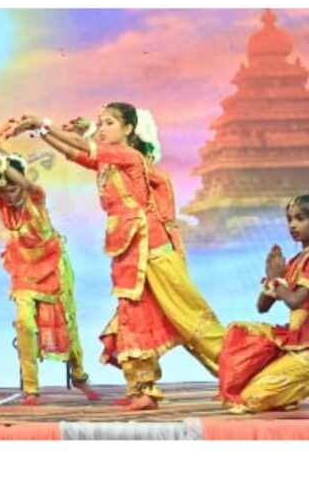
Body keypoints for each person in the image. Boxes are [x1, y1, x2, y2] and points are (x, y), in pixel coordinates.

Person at [14, 103, 224, 410]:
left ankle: (237, 370)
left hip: (152, 248)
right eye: (100, 123)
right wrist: (40, 132)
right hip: (129, 250)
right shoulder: (108, 164)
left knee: (186, 316)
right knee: (134, 316)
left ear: (128, 129)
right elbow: (74, 152)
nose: (102, 127)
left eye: (110, 122)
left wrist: (43, 124)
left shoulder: (128, 156)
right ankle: (142, 389)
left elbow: (84, 146)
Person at [0, 152, 99, 405]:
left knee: (66, 325)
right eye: (4, 190)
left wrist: (3, 164)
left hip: (53, 267)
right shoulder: (2, 205)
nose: (9, 195)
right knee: (25, 325)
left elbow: (27, 185)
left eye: (13, 188)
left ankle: (79, 375)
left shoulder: (35, 196)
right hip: (23, 269)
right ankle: (31, 388)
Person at [217, 194, 309, 413]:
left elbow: (294, 301)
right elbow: (262, 308)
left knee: (252, 399)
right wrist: (271, 278)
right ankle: (290, 388)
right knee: (238, 332)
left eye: (300, 218)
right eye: (289, 219)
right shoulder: (294, 262)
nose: (292, 225)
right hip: (293, 340)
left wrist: (276, 280)